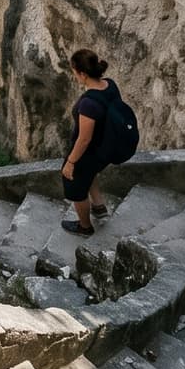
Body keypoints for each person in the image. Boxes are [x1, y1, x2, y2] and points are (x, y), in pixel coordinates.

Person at [60, 49, 132, 235]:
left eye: (74, 71)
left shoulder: (88, 104)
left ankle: (84, 226)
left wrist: (70, 162)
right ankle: (99, 206)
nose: (74, 75)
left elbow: (84, 139)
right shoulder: (110, 85)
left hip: (90, 151)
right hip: (105, 147)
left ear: (83, 74)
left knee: (75, 186)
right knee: (90, 173)